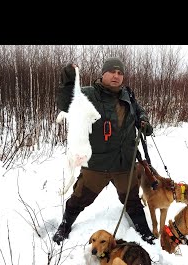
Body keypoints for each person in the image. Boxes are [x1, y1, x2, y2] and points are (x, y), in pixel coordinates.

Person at [52, 57, 157, 245]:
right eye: (112, 72)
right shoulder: (89, 94)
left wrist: (144, 122)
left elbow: (140, 112)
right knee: (79, 198)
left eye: (120, 73)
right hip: (97, 163)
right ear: (103, 73)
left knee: (132, 200)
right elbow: (66, 104)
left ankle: (145, 232)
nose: (116, 76)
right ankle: (65, 226)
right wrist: (68, 81)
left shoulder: (128, 96)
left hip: (124, 162)